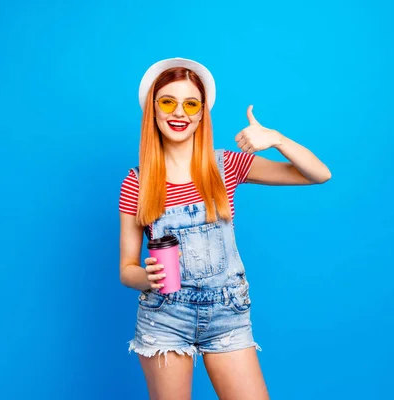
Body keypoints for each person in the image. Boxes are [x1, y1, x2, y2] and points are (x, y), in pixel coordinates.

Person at [118, 57, 331, 400]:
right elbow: (126, 270)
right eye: (168, 102)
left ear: (202, 113)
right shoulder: (138, 183)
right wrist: (147, 277)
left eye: (191, 104)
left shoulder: (225, 166)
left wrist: (276, 139)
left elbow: (318, 174)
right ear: (153, 110)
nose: (179, 113)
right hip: (165, 316)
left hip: (227, 314)